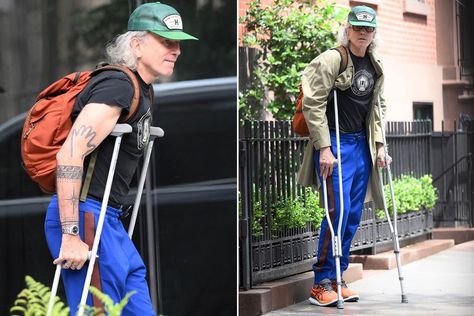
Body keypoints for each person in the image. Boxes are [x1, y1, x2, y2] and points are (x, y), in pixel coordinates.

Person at [44, 2, 197, 315]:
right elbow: (70, 154)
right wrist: (72, 236)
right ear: (137, 44)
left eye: (178, 43)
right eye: (166, 41)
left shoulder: (141, 88)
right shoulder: (117, 85)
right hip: (86, 219)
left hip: (109, 221)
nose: (176, 49)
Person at [297, 5, 390, 306]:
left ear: (374, 33)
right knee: (336, 212)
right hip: (335, 144)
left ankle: (338, 276)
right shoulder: (332, 59)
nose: (363, 33)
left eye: (368, 28)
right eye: (358, 27)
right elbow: (313, 104)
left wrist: (379, 146)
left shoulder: (375, 66)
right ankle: (321, 282)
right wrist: (324, 148)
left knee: (351, 215)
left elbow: (377, 108)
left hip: (360, 144)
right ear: (348, 29)